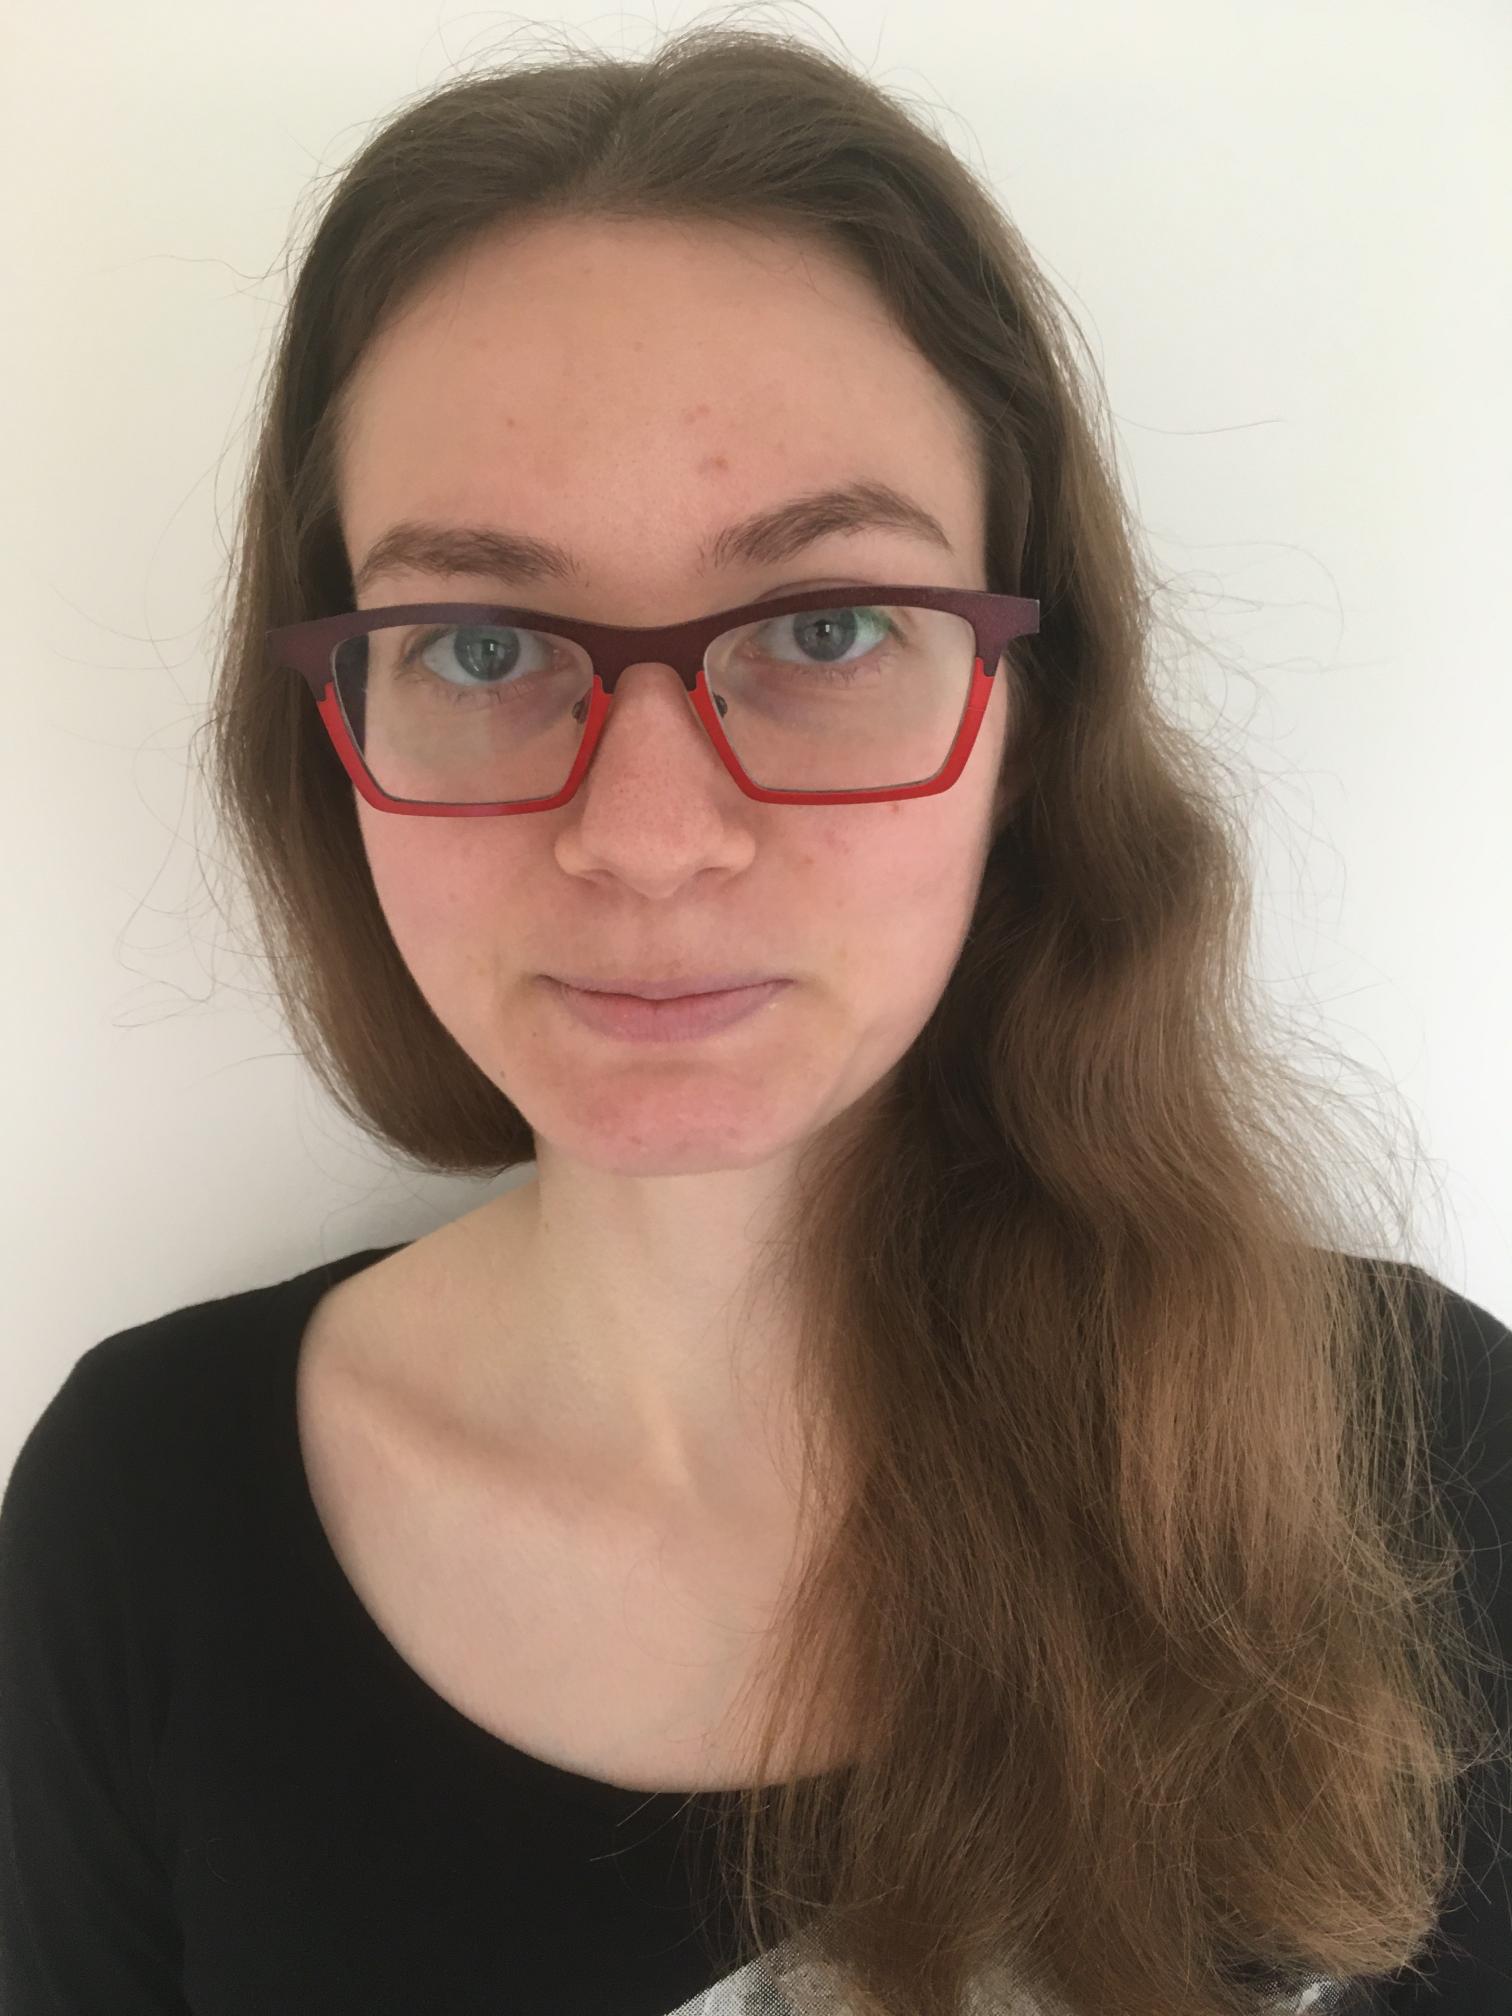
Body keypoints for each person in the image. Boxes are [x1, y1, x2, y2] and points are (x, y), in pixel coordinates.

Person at [2, 24, 1507, 2016]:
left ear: (1026, 720)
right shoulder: (145, 1524)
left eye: (826, 627)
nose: (646, 839)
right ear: (337, 733)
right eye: (478, 644)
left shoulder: (1420, 1463)